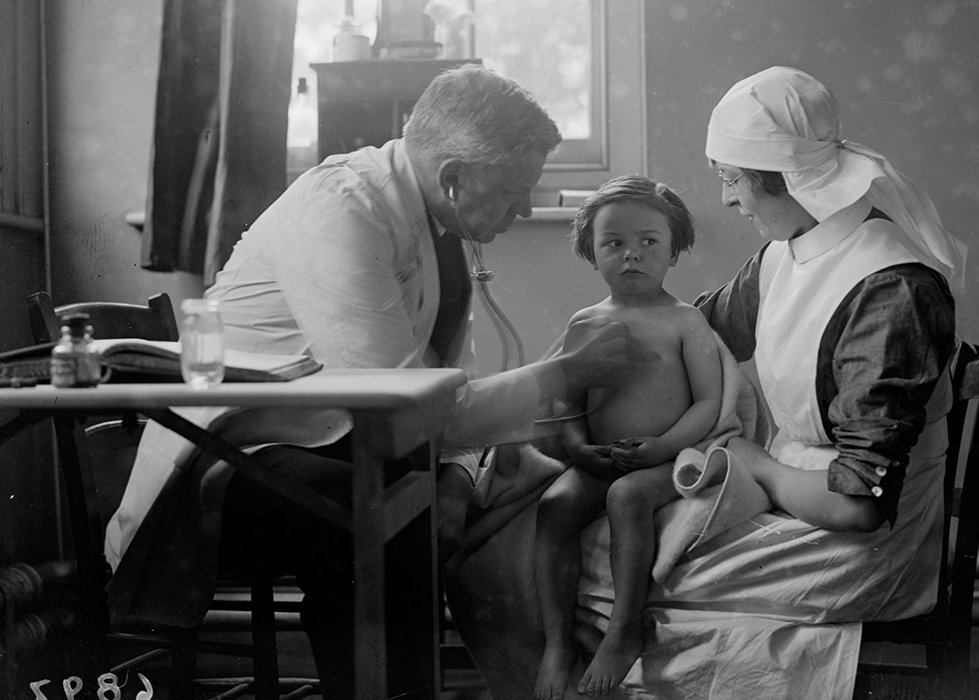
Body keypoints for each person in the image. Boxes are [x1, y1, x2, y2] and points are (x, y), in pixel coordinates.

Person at [102, 65, 640, 699]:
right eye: (512, 191)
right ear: (453, 178)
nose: (523, 209)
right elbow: (398, 405)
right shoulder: (342, 209)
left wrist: (456, 476)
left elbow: (443, 389)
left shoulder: (436, 230)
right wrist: (567, 373)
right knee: (383, 518)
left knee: (470, 492)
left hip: (323, 441)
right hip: (223, 466)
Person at [442, 66, 970, 700]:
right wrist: (550, 404)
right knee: (540, 524)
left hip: (853, 542)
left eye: (733, 179)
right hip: (800, 494)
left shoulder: (890, 291)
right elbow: (670, 332)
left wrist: (753, 461)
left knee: (572, 561)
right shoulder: (794, 250)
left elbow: (858, 505)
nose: (726, 200)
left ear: (786, 179)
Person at [533, 175, 724, 700]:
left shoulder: (685, 321)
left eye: (649, 242)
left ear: (674, 250)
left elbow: (708, 401)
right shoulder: (586, 321)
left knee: (627, 496)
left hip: (664, 457)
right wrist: (576, 448)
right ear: (591, 253)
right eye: (613, 243)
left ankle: (623, 629)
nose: (631, 255)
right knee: (555, 505)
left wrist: (663, 448)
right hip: (600, 458)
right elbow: (566, 400)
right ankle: (557, 642)